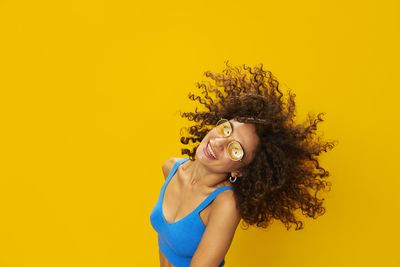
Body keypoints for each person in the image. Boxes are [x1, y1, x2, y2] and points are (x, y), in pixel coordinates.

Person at [150, 61, 337, 267]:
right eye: (226, 130)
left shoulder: (225, 204)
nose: (219, 143)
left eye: (235, 149)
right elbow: (166, 241)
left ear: (240, 170)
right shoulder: (171, 168)